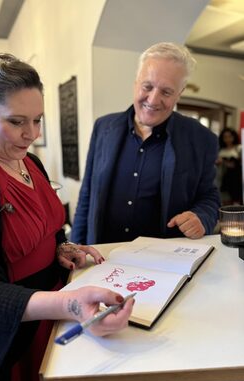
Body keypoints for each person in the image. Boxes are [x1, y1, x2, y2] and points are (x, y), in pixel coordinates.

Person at [0, 53, 134, 381]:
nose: (31, 134)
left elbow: (45, 228)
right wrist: (70, 303)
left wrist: (60, 247)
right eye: (16, 121)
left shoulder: (32, 164)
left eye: (37, 120)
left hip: (48, 317)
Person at [71, 42, 220, 245]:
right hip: (103, 258)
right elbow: (87, 194)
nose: (153, 99)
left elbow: (209, 196)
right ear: (135, 83)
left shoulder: (202, 139)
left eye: (166, 92)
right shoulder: (103, 128)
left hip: (165, 264)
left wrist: (202, 217)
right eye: (147, 87)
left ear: (180, 93)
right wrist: (76, 249)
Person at [216, 127, 242, 205]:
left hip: (235, 179)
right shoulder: (221, 150)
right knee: (224, 200)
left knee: (235, 201)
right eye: (225, 137)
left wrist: (224, 161)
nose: (228, 139)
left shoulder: (239, 148)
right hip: (222, 178)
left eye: (230, 136)